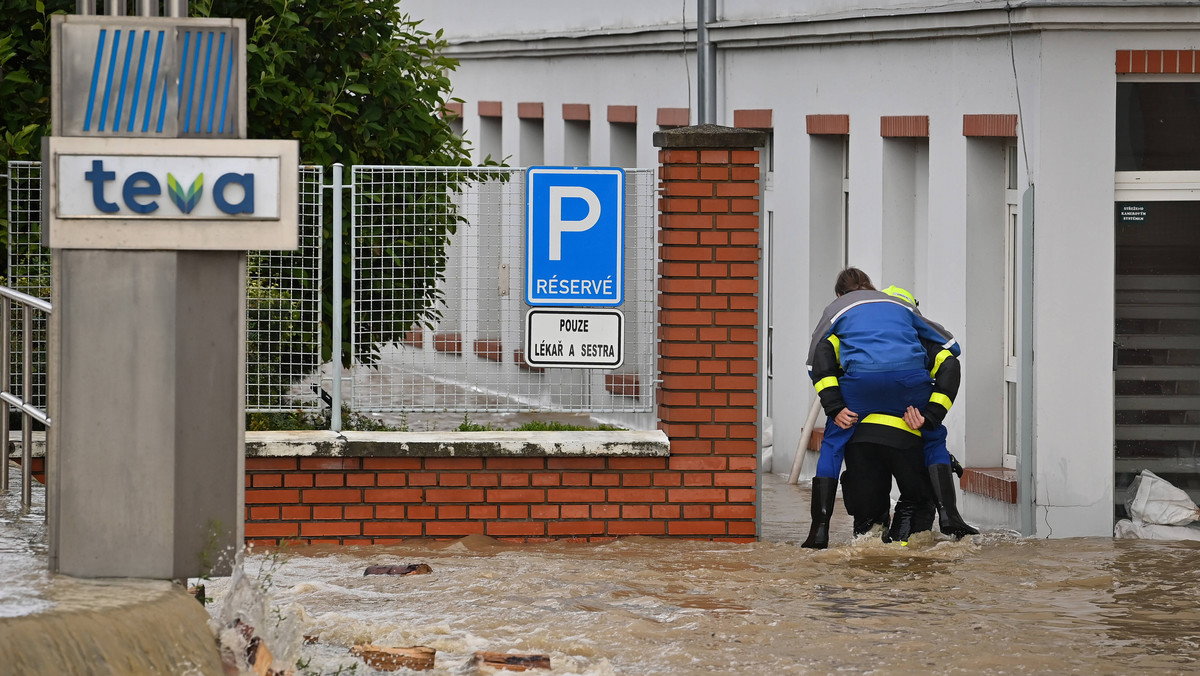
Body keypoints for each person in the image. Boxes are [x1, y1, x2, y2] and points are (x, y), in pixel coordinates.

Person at [800, 268, 960, 549]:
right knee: (933, 440)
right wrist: (931, 417)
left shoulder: (838, 322)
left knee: (833, 445)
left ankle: (820, 530)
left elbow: (817, 359)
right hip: (908, 403)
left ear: (839, 294)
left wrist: (835, 406)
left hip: (857, 411)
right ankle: (950, 517)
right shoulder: (911, 325)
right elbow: (951, 353)